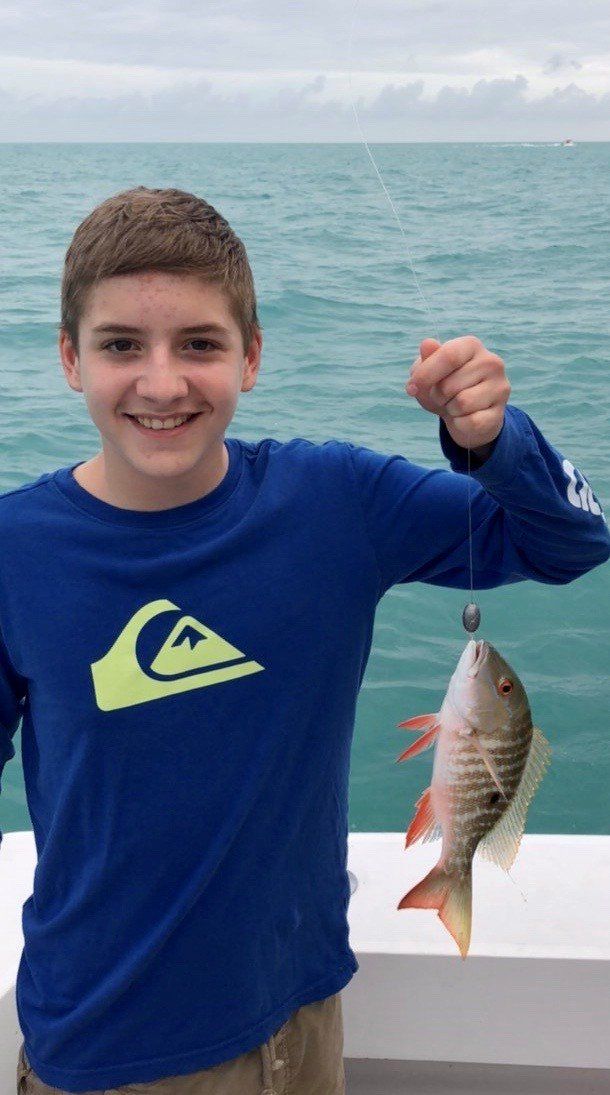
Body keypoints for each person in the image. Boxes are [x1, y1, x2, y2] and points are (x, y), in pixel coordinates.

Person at [3, 186, 609, 1095]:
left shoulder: (335, 502)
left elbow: (571, 542)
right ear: (68, 358)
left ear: (251, 356)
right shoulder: (15, 549)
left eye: (200, 344)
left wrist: (495, 442)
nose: (161, 383)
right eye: (121, 344)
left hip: (305, 1009)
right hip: (108, 1043)